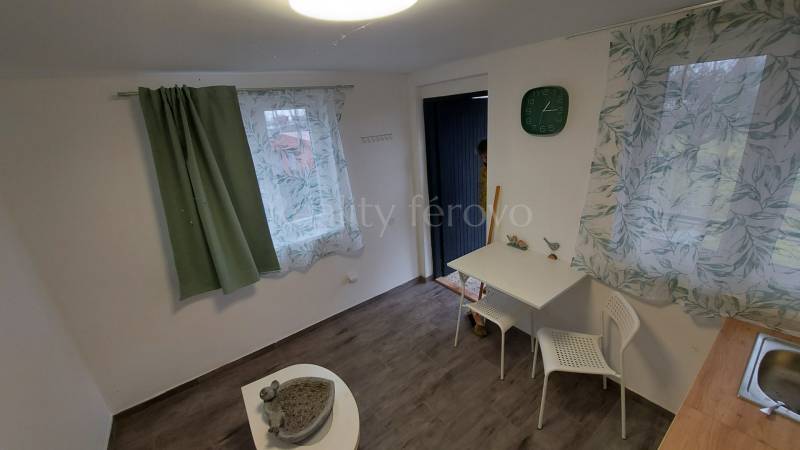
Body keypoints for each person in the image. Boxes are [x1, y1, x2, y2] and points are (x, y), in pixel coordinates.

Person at [471, 139, 489, 338]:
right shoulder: (483, 169)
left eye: (487, 155)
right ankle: (486, 292)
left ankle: (488, 290)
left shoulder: (498, 167)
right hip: (488, 211)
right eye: (483, 156)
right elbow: (482, 190)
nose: (485, 159)